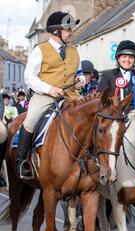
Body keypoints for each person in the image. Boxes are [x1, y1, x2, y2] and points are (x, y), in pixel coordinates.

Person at [19, 11, 85, 179]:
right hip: (45, 96)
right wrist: (49, 89)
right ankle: (22, 162)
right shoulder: (40, 50)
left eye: (71, 29)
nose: (71, 32)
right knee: (31, 119)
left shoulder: (74, 50)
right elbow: (29, 77)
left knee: (91, 115)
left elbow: (79, 72)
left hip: (71, 95)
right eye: (68, 29)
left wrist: (80, 79)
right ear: (56, 31)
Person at [98, 40, 135, 114]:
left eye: (131, 57)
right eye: (124, 56)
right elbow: (101, 99)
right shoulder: (108, 75)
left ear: (134, 60)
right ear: (118, 58)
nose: (127, 60)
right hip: (113, 117)